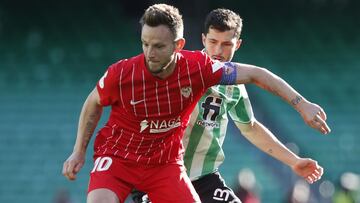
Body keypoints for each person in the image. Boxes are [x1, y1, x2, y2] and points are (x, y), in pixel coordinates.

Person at [62, 4, 331, 203]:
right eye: (213, 42)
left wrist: (294, 151)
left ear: (238, 44)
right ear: (201, 40)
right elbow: (95, 103)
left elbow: (250, 125)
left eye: (227, 44)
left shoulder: (222, 81)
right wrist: (79, 151)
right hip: (141, 169)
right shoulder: (147, 71)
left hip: (195, 175)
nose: (218, 50)